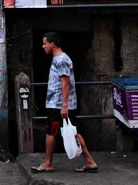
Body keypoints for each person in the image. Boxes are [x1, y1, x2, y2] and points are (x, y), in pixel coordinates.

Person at [31, 32, 99, 174]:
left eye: (45, 43)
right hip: (60, 103)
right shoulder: (60, 58)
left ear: (52, 44)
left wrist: (64, 105)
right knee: (74, 132)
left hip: (58, 104)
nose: (43, 46)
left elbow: (65, 84)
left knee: (51, 132)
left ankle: (48, 163)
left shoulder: (60, 60)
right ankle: (89, 161)